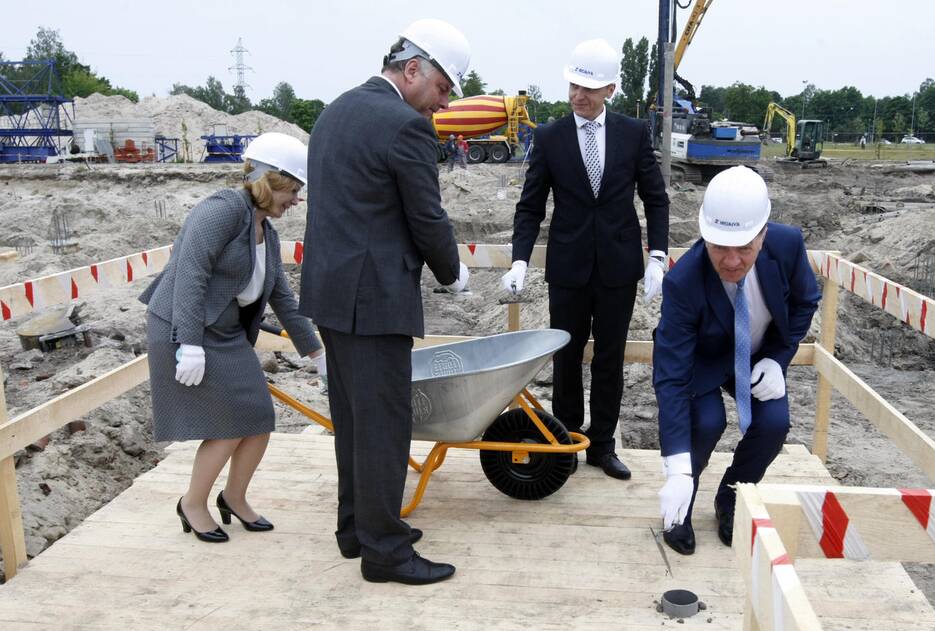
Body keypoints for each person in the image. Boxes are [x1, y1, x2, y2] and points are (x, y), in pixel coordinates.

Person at [299, 18, 471, 585]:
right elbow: (426, 216)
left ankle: (358, 529)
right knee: (384, 425)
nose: (442, 105)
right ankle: (386, 553)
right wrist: (454, 271)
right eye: (443, 89)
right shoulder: (404, 127)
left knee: (352, 419)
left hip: (330, 294)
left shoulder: (334, 112)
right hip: (373, 300)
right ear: (414, 68)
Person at [140, 132, 325, 543]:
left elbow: (281, 297)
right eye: (294, 190)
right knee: (226, 425)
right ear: (270, 181)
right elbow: (190, 275)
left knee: (258, 418)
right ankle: (192, 503)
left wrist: (316, 353)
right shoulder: (221, 211)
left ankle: (234, 498)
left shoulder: (266, 232)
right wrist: (188, 343)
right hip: (184, 327)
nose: (296, 200)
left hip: (224, 332)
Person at [501, 38, 669, 480]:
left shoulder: (633, 134)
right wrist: (520, 259)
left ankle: (603, 446)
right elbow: (530, 205)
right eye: (574, 86)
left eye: (589, 89)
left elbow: (655, 198)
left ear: (610, 89)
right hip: (568, 269)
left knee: (611, 358)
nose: (579, 95)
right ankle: (567, 442)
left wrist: (658, 255)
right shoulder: (550, 136)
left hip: (617, 268)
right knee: (567, 356)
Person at [653, 166, 820, 553]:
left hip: (759, 357)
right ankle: (682, 504)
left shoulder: (788, 245)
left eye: (744, 248)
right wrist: (676, 467)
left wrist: (778, 359)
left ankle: (731, 497)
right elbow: (671, 376)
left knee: (774, 424)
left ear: (763, 234)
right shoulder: (683, 283)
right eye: (718, 247)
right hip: (704, 360)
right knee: (707, 422)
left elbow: (805, 303)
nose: (731, 261)